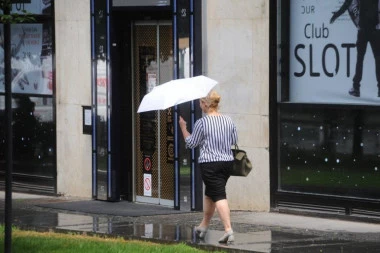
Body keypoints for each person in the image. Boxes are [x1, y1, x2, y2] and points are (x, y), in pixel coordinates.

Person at [179, 90, 238, 244]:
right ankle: (203, 226)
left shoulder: (202, 123)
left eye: (200, 102)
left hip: (210, 164)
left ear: (205, 104)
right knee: (210, 194)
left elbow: (191, 143)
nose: (199, 105)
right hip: (227, 163)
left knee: (218, 195)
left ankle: (228, 230)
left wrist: (183, 127)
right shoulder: (228, 121)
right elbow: (234, 140)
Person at [330, 0, 380, 97]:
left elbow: (348, 3)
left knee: (360, 59)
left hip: (363, 29)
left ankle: (356, 88)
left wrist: (336, 14)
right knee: (378, 59)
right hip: (375, 29)